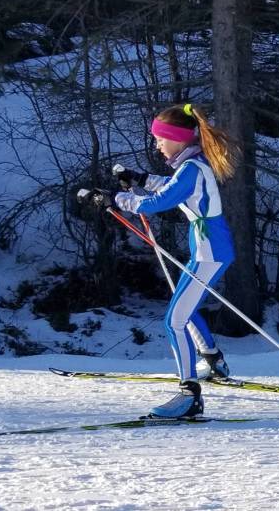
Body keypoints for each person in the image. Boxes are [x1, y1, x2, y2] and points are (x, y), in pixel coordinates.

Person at [82, 103, 240, 418]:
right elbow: (167, 187)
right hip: (208, 249)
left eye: (160, 139)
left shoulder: (193, 169)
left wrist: (114, 199)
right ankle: (213, 361)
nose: (157, 145)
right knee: (184, 309)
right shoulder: (191, 165)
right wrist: (138, 178)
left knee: (174, 320)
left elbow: (159, 202)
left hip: (209, 252)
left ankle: (189, 396)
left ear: (178, 138)